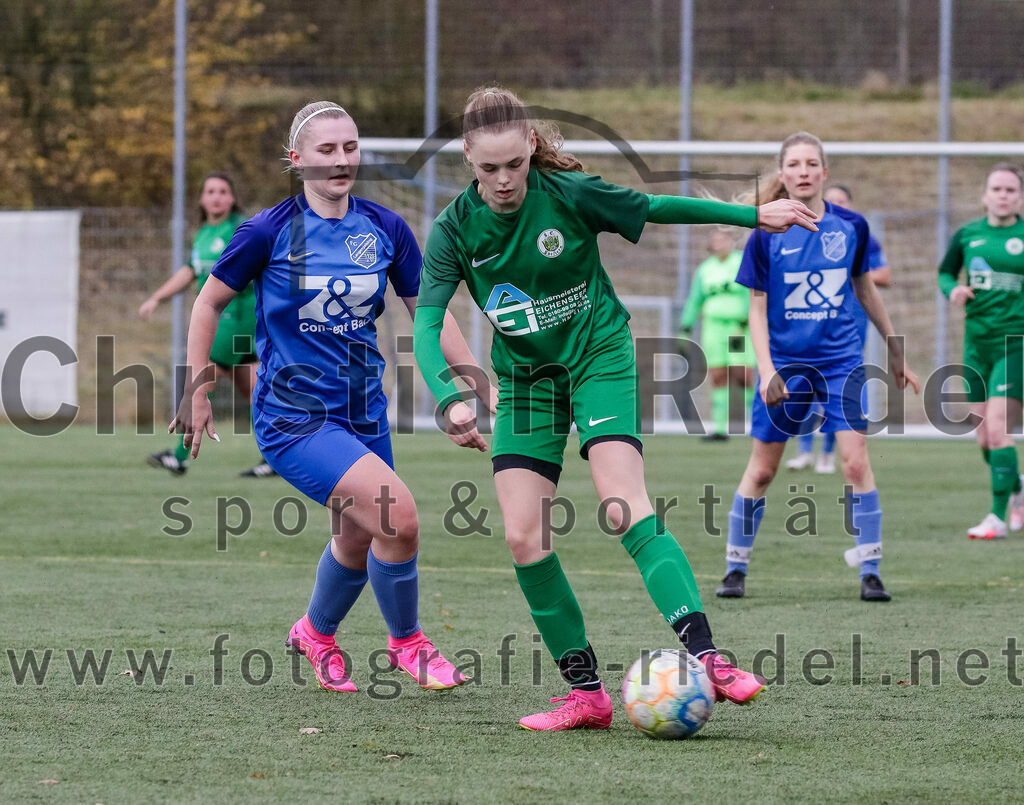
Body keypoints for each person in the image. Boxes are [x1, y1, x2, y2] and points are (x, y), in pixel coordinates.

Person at [413, 87, 819, 732]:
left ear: (530, 149)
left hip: (599, 356)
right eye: (489, 168)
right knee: (523, 537)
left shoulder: (567, 193)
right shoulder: (454, 229)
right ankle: (586, 695)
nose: (504, 180)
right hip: (526, 383)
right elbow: (427, 324)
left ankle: (709, 658)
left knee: (622, 504)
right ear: (467, 157)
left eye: (514, 164)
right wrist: (450, 398)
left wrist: (755, 216)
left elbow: (655, 206)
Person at [171, 101, 491, 692]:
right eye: (326, 149)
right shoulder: (266, 230)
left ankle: (314, 634)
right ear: (297, 160)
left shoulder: (385, 228)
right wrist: (197, 387)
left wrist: (470, 378)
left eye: (349, 147)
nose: (341, 160)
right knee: (401, 517)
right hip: (294, 420)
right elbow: (206, 302)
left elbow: (428, 314)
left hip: (365, 412)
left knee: (360, 534)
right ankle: (409, 644)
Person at [716, 132, 919, 604]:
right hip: (785, 365)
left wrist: (895, 350)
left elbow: (866, 289)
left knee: (854, 463)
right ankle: (734, 567)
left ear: (824, 173)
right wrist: (767, 370)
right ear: (783, 174)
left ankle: (870, 571)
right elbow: (757, 309)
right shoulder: (766, 234)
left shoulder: (852, 226)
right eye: (795, 164)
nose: (804, 171)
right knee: (763, 471)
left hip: (842, 363)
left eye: (812, 163)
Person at [139, 173, 274, 478]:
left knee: (199, 385)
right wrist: (157, 298)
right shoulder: (202, 235)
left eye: (223, 191)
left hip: (233, 322)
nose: (216, 196)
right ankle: (275, 458)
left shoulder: (241, 228)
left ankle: (178, 457)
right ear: (201, 199)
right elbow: (189, 271)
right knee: (256, 393)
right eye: (210, 191)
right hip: (236, 328)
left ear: (232, 198)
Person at [938, 162, 1024, 540]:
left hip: (1015, 344)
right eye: (997, 189)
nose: (1003, 196)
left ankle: (996, 517)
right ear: (984, 195)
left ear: (1019, 197)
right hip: (976, 345)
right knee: (983, 435)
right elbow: (944, 272)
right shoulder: (968, 234)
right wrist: (952, 290)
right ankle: (1017, 487)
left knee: (998, 428)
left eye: (1010, 190)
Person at [786, 183, 892, 474]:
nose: (834, 205)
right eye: (830, 200)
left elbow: (883, 274)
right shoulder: (800, 232)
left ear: (850, 205)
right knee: (804, 388)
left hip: (846, 327)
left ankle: (827, 455)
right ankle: (805, 451)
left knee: (836, 394)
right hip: (807, 326)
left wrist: (846, 272)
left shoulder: (857, 234)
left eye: (840, 201)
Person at [679, 227, 755, 441]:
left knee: (742, 374)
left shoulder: (741, 261)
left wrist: (746, 316)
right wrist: (685, 328)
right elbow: (695, 300)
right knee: (718, 375)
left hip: (737, 328)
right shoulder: (705, 269)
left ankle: (758, 423)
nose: (720, 243)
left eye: (724, 239)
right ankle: (720, 428)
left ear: (732, 241)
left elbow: (752, 290)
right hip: (713, 328)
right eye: (716, 240)